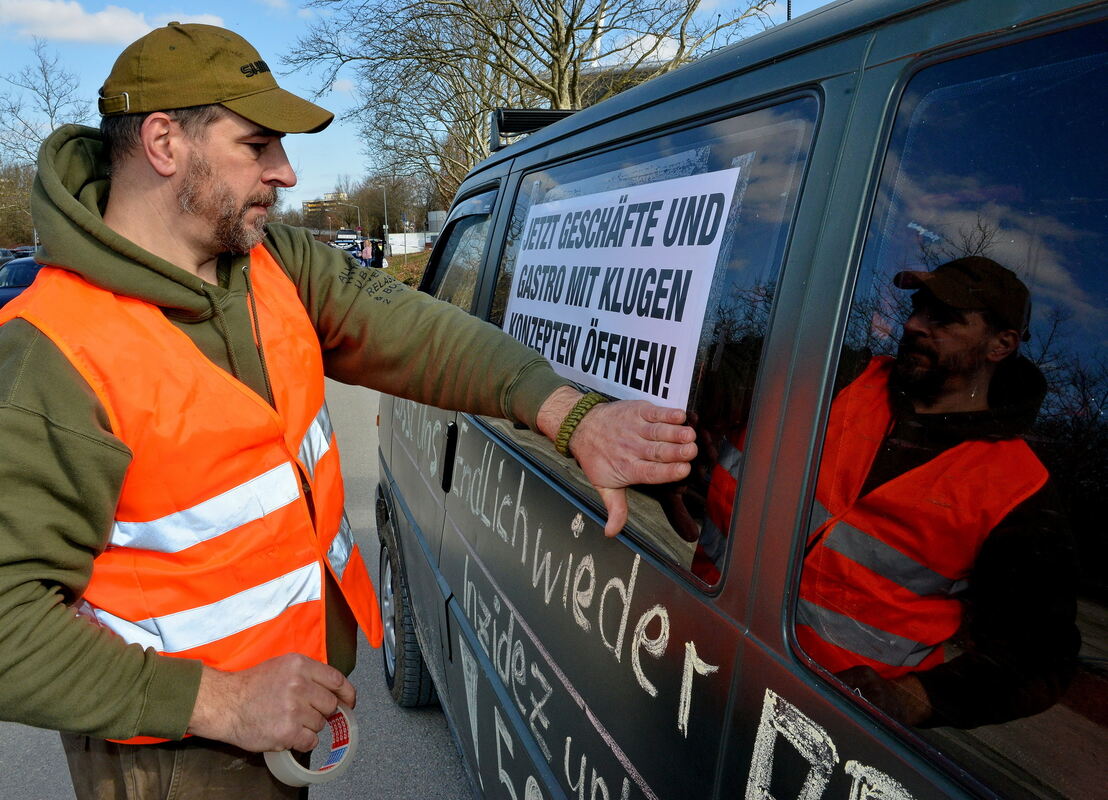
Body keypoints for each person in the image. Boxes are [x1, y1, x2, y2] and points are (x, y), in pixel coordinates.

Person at [0, 23, 696, 799]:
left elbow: (416, 331)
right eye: (258, 145)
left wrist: (571, 413)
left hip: (281, 719)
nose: (287, 173)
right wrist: (220, 701)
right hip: (172, 755)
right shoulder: (49, 355)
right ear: (165, 141)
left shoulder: (269, 262)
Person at [696, 256, 1079, 728]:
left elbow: (1039, 656)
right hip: (696, 643)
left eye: (943, 318)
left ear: (1000, 345)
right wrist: (676, 434)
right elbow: (719, 382)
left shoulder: (1020, 488)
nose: (915, 324)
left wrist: (905, 699)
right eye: (917, 309)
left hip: (822, 726)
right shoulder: (836, 375)